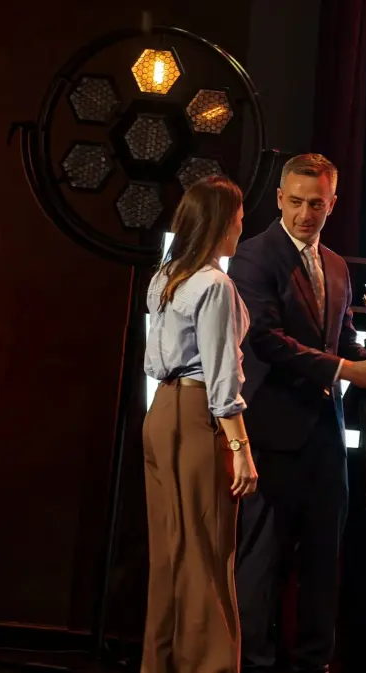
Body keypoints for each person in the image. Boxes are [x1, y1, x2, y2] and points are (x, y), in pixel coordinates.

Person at [230, 153, 366, 673]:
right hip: (271, 431)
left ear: (333, 203)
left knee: (324, 561)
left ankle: (313, 663)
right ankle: (253, 664)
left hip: (326, 434)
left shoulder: (336, 265)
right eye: (297, 202)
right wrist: (349, 370)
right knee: (263, 562)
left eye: (317, 204)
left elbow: (341, 340)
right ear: (279, 198)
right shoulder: (252, 256)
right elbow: (266, 339)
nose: (306, 213)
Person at [142, 175, 259, 673]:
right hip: (195, 417)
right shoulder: (214, 284)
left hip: (161, 413)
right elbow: (221, 375)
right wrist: (240, 448)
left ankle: (162, 662)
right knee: (208, 552)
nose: (241, 228)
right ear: (220, 223)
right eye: (238, 220)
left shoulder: (166, 275)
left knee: (171, 551)